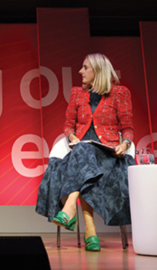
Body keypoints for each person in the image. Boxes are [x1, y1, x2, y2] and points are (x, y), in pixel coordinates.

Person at [35, 53, 135, 252]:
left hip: (109, 155)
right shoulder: (77, 93)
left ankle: (70, 208)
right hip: (81, 151)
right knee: (83, 151)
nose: (81, 71)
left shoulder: (120, 93)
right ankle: (90, 230)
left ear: (98, 70)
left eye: (85, 67)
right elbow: (68, 125)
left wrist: (124, 145)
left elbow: (128, 128)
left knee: (82, 163)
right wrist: (72, 137)